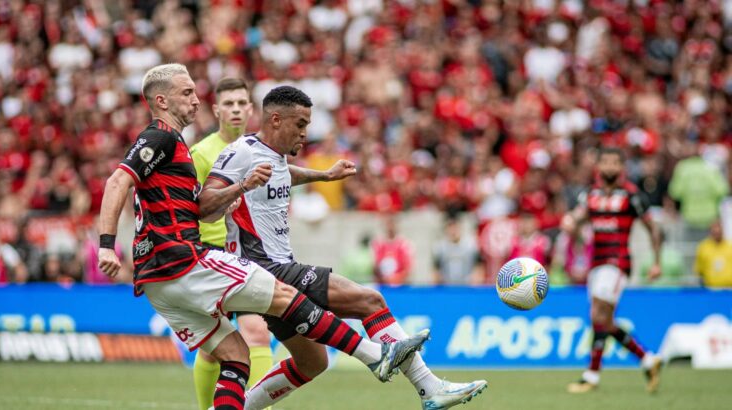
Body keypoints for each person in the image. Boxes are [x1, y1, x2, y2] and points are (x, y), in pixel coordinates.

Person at [97, 64, 429, 410]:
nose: (196, 100)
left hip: (156, 279)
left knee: (236, 357)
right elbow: (119, 180)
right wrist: (106, 246)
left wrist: (320, 176)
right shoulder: (162, 137)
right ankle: (375, 355)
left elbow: (273, 172)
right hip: (184, 259)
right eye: (187, 93)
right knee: (283, 295)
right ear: (162, 101)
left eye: (196, 92)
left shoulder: (180, 145)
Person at [201, 85, 487, 410]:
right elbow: (204, 205)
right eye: (300, 124)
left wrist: (322, 176)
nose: (305, 134)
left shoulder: (272, 156)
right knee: (369, 301)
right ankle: (429, 387)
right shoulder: (242, 152)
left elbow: (281, 174)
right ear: (276, 120)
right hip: (264, 268)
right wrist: (241, 186)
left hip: (272, 271)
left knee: (312, 362)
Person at [189, 78, 273, 410]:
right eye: (229, 103)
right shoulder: (201, 153)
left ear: (251, 109)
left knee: (257, 334)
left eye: (242, 103)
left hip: (251, 255)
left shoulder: (262, 150)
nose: (236, 109)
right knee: (212, 347)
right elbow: (191, 208)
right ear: (216, 110)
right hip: (211, 255)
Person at [562, 147, 663, 394]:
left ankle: (592, 376)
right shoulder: (590, 195)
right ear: (598, 167)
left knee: (598, 315)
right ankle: (648, 359)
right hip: (596, 263)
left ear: (621, 168)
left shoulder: (632, 196)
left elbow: (653, 229)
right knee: (603, 321)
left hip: (618, 262)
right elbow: (577, 220)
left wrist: (656, 262)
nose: (609, 166)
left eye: (613, 162)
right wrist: (571, 225)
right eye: (604, 161)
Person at [432, 217, 482, 285]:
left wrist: (476, 281)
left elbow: (479, 266)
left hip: (467, 286)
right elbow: (436, 270)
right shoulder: (440, 247)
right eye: (450, 228)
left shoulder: (470, 245)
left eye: (455, 228)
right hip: (447, 287)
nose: (453, 231)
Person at [372, 214, 413, 285]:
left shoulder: (404, 244)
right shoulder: (378, 244)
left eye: (392, 224)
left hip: (399, 285)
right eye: (388, 224)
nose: (390, 227)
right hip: (382, 284)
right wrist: (382, 278)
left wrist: (395, 279)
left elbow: (407, 268)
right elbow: (375, 266)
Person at [694, 220, 732, 288]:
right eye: (714, 231)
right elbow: (699, 270)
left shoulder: (730, 246)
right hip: (710, 290)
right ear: (710, 232)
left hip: (729, 290)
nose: (717, 232)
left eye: (719, 230)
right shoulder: (703, 247)